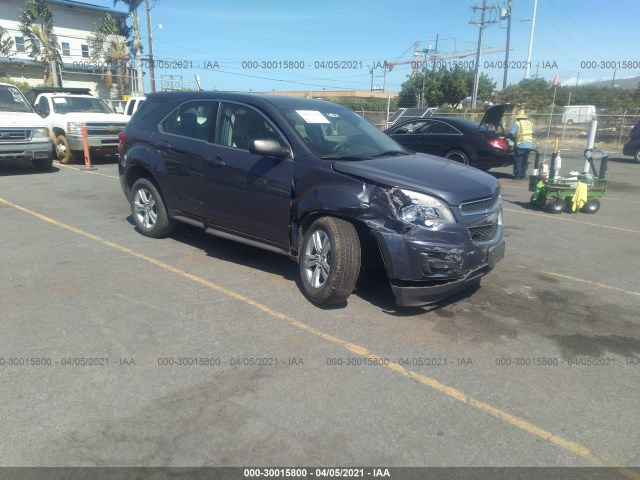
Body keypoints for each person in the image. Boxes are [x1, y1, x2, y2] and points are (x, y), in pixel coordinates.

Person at [509, 109, 535, 179]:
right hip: (529, 145)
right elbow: (533, 133)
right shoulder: (530, 123)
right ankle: (523, 174)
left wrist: (511, 139)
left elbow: (511, 134)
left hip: (520, 144)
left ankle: (517, 175)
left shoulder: (517, 123)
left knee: (518, 160)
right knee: (525, 160)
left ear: (518, 117)